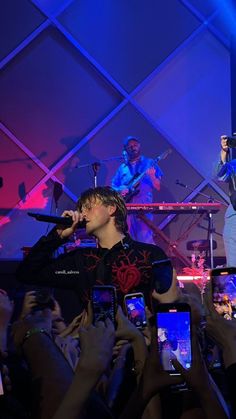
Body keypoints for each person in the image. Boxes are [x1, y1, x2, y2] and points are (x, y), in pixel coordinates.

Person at [16, 186, 168, 307]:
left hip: (140, 344)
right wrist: (57, 235)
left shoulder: (150, 255)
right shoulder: (80, 261)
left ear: (111, 209)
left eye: (88, 207)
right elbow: (27, 273)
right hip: (94, 344)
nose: (82, 214)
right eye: (81, 209)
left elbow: (169, 307)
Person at [111, 136, 163, 244]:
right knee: (128, 243)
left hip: (143, 209)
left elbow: (157, 186)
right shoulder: (122, 168)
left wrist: (153, 176)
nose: (133, 147)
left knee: (145, 241)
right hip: (126, 210)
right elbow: (113, 187)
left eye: (135, 145)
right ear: (125, 149)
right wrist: (120, 190)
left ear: (139, 146)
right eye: (130, 146)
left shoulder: (149, 163)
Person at [216, 134, 236, 266]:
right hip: (235, 210)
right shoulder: (234, 164)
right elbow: (221, 176)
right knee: (230, 238)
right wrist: (224, 152)